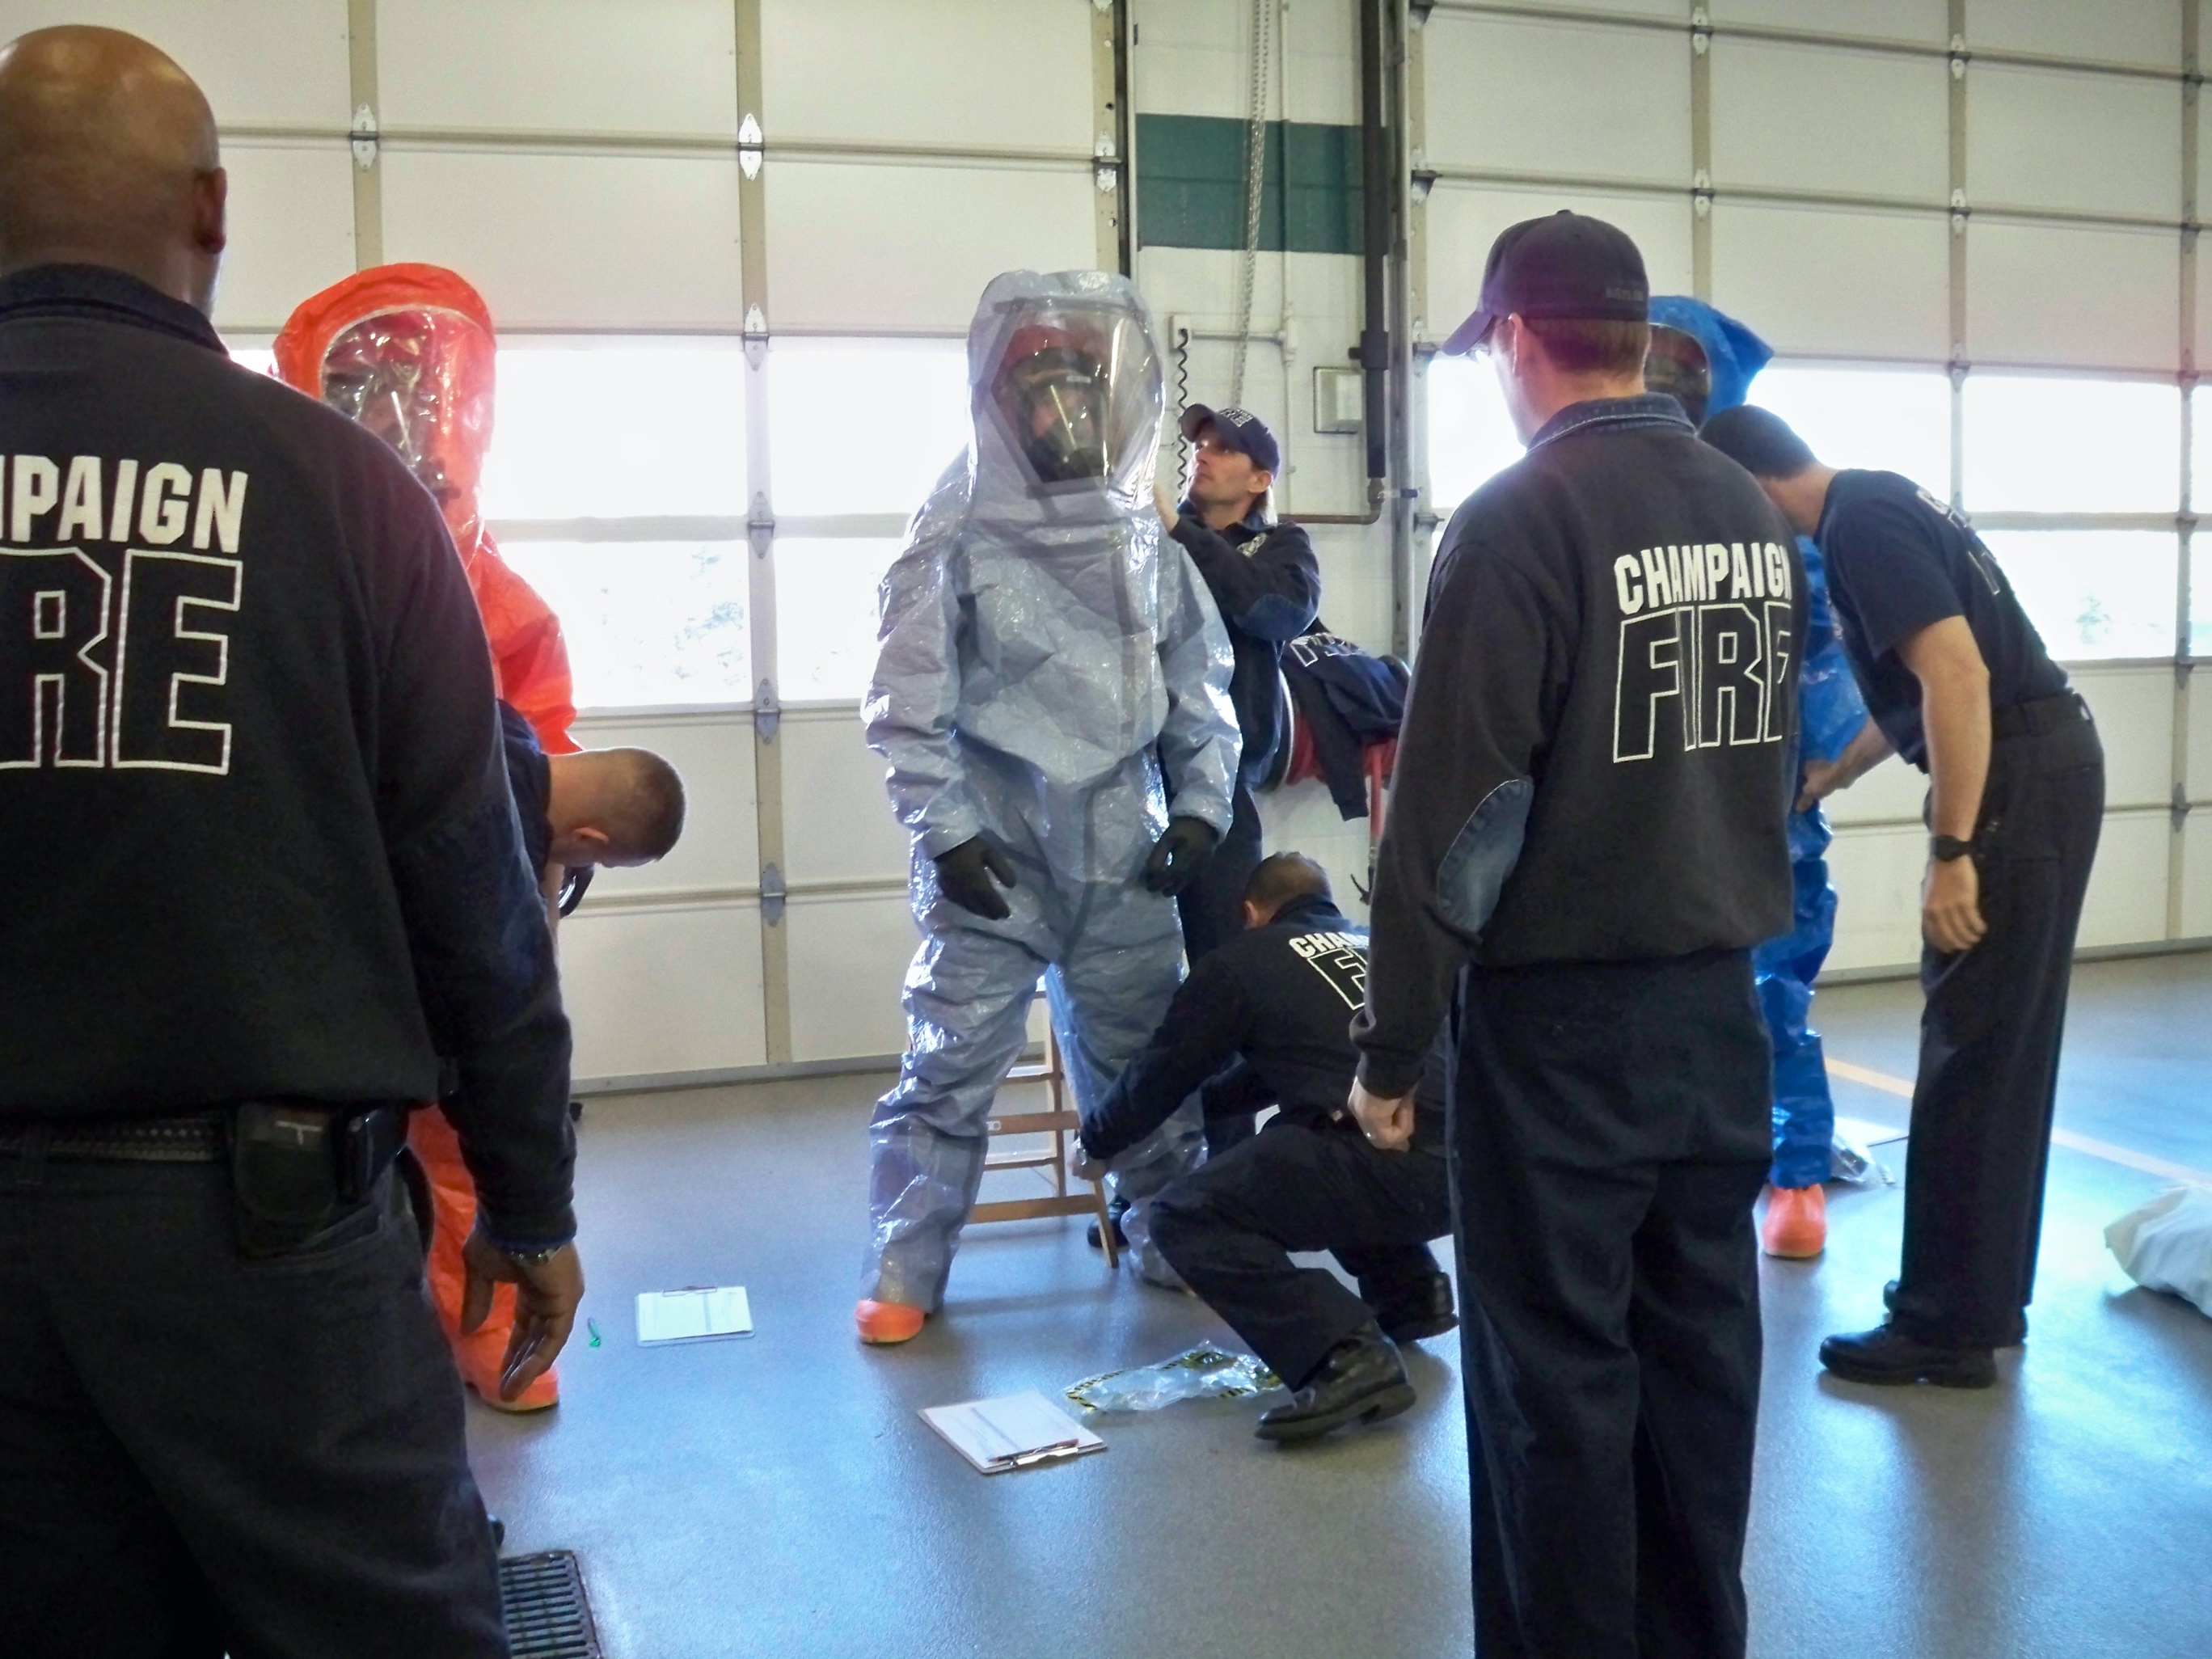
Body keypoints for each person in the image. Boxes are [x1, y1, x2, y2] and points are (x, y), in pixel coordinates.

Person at [0, 26, 580, 1654]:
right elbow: (474, 899)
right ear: (213, 208)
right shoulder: (341, 493)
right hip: (258, 1243)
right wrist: (527, 1200)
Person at [1349, 212, 1802, 1657]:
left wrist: (1393, 1045)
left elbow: (1453, 821)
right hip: (1717, 1013)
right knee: (1699, 1369)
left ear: (1518, 340)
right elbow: (1762, 763)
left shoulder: (1516, 521)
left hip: (1562, 1035)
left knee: (1554, 1390)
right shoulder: (1746, 509)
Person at [856, 269, 1239, 1343]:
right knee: (952, 1056)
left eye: (1083, 388)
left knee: (1146, 1050)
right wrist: (949, 831)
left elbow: (1196, 682)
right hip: (998, 838)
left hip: (1122, 836)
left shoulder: (1136, 530)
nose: (1065, 413)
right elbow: (907, 696)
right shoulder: (957, 519)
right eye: (1042, 392)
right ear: (1002, 399)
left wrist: (1202, 811)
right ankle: (905, 1262)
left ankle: (1170, 1230)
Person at [1699, 403, 2104, 1387]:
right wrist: (1838, 769)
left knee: (1971, 1052)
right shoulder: (1875, 502)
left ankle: (1944, 1325)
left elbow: (1958, 678)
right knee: (1997, 1051)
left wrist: (1953, 848)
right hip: (2044, 763)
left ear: (1753, 485)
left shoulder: (1863, 528)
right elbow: (1924, 685)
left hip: (2018, 782)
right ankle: (1977, 1310)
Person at [276, 261, 585, 1408]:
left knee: (471, 1128)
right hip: (323, 914)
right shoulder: (293, 566)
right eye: (369, 396)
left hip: (453, 906)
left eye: (420, 395)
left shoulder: (497, 598)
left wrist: (552, 851)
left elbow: (544, 749)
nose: (403, 424)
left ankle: (493, 1318)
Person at [1647, 296, 1885, 1258]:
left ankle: (1795, 1173)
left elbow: (1846, 650)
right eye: (1651, 353)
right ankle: (1679, 1164)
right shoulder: (1622, 485)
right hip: (1647, 795)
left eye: (1687, 361)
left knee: (1770, 993)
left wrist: (1814, 770)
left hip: (1759, 801)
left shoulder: (1778, 498)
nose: (1666, 375)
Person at [1072, 854, 1454, 1443]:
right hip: (1471, 1172)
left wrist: (1097, 1139)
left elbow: (1162, 1072)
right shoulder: (1378, 946)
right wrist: (1201, 1107)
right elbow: (1270, 1075)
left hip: (1384, 1157)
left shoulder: (1240, 962)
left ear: (1252, 913)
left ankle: (1345, 1355)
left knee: (1187, 1215)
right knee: (1295, 1147)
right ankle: (1412, 1293)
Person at [409, 706, 685, 1411]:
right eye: (593, 861)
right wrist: (535, 1226)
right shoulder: (485, 847)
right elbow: (505, 1023)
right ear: (586, 839)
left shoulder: (489, 722)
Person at [274, 262, 577, 754]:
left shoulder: (485, 586)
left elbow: (542, 750)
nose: (400, 404)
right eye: (363, 384)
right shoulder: (282, 551)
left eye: (414, 383)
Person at [1153, 406, 1319, 961]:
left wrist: (1182, 534)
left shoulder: (1283, 546)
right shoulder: (1149, 537)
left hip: (1224, 786)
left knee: (1220, 953)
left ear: (1260, 479)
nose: (1203, 454)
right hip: (1135, 776)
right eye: (1201, 445)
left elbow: (1274, 610)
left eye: (1224, 449)